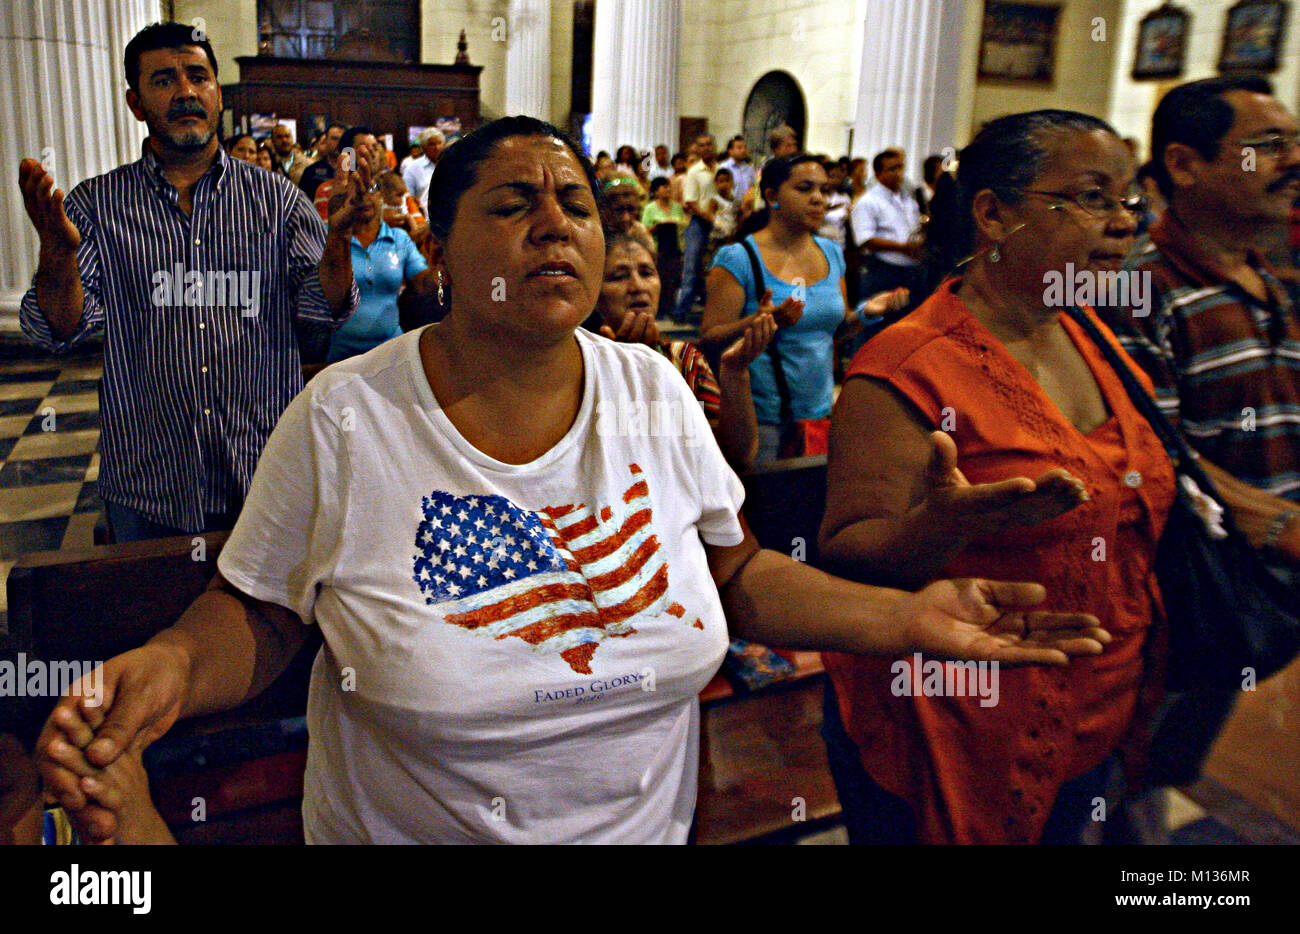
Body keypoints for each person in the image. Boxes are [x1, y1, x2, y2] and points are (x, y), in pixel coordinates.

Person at [36, 116, 1107, 846]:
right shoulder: (349, 417)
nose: (556, 222)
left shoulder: (647, 388)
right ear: (439, 252)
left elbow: (731, 573)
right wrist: (178, 657)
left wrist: (905, 616)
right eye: (512, 204)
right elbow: (264, 614)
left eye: (577, 203)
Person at [818, 109, 1176, 845]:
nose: (1123, 223)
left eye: (1131, 201)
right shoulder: (906, 363)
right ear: (992, 213)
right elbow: (846, 549)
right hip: (960, 713)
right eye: (1091, 198)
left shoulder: (1090, 330)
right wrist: (940, 529)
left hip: (1096, 699)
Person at [17, 21, 364, 542]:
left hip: (265, 466)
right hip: (150, 479)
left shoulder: (276, 199)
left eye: (197, 76)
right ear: (136, 104)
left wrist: (336, 244)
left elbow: (322, 309)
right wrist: (59, 256)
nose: (184, 92)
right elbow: (61, 329)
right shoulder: (98, 204)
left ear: (217, 93)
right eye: (163, 81)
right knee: (154, 617)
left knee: (272, 619)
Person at [1113, 76, 1300, 572]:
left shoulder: (1264, 277)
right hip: (1225, 588)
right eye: (1269, 146)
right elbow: (1153, 461)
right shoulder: (1141, 290)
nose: (1295, 160)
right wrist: (1283, 526)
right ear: (1184, 164)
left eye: (1295, 142)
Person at [701, 154, 908, 464]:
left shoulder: (830, 252)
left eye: (823, 190)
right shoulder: (739, 258)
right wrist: (758, 321)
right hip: (762, 418)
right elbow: (709, 338)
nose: (817, 199)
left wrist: (867, 312)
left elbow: (834, 330)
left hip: (820, 414)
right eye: (804, 188)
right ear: (771, 196)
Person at [594, 231, 766, 468]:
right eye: (618, 277)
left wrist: (736, 374)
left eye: (646, 273)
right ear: (594, 293)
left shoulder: (683, 359)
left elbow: (737, 454)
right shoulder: (581, 364)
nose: (637, 286)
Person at [325, 185, 436, 363]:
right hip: (341, 351)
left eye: (372, 189)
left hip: (390, 348)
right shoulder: (330, 236)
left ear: (381, 196)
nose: (365, 198)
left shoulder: (398, 237)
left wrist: (443, 257)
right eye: (357, 191)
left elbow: (423, 283)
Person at [851, 148, 925, 313]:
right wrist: (904, 248)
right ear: (878, 174)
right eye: (892, 169)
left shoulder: (907, 199)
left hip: (910, 269)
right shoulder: (868, 201)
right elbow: (865, 240)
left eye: (901, 168)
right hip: (883, 271)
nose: (899, 173)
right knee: (879, 324)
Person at [673, 134, 720, 322]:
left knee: (715, 267)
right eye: (702, 145)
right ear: (698, 150)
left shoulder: (721, 170)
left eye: (709, 144)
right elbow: (691, 202)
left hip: (720, 224)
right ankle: (681, 312)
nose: (706, 148)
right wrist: (708, 217)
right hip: (699, 223)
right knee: (691, 267)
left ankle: (713, 311)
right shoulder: (694, 172)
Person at [642, 176, 686, 318]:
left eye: (669, 186)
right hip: (658, 249)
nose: (668, 189)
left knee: (673, 278)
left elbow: (683, 226)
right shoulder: (650, 208)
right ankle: (659, 309)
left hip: (675, 247)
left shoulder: (677, 207)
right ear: (656, 191)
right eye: (664, 187)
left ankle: (671, 308)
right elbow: (645, 230)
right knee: (661, 279)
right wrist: (659, 226)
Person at [598, 176, 654, 254]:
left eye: (631, 210)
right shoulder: (597, 235)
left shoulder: (640, 231)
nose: (626, 218)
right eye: (619, 210)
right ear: (607, 210)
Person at [402, 127, 445, 215]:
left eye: (439, 143)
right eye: (432, 144)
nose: (436, 147)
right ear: (424, 147)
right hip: (425, 221)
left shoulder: (453, 164)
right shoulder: (412, 169)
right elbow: (407, 198)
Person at [298, 122, 344, 197]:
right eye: (334, 139)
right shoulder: (311, 171)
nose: (338, 143)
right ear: (326, 141)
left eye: (342, 139)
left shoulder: (353, 169)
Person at [719, 135, 756, 201]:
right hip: (730, 207)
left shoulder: (749, 168)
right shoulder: (724, 168)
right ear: (730, 151)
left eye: (745, 147)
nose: (743, 150)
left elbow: (752, 186)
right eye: (739, 148)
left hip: (746, 207)